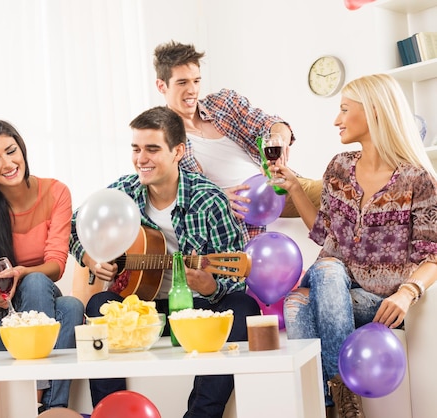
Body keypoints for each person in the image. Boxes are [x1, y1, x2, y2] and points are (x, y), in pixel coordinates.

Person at [69, 106, 261, 418]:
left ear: (177, 152)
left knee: (243, 307)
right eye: (136, 149)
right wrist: (89, 257)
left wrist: (211, 286)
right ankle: (114, 413)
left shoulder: (208, 199)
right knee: (99, 308)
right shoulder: (122, 192)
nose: (141, 159)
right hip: (143, 313)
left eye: (152, 149)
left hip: (198, 311)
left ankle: (200, 415)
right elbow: (74, 227)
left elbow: (236, 276)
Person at [278, 74, 437, 418]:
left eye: (344, 109)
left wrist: (407, 293)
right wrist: (294, 189)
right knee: (328, 269)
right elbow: (325, 234)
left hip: (376, 302)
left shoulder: (417, 180)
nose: (336, 119)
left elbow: (434, 254)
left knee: (297, 304)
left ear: (376, 112)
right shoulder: (339, 167)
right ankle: (342, 402)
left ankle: (326, 404)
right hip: (331, 282)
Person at [0, 118, 84, 412]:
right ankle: (40, 399)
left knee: (70, 306)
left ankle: (47, 408)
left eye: (11, 151)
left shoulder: (56, 192)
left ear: (22, 149)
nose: (8, 163)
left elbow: (56, 264)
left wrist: (23, 273)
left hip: (31, 308)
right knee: (41, 286)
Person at [153, 40, 323, 237]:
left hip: (276, 185)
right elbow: (168, 197)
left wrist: (278, 138)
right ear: (161, 85)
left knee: (341, 190)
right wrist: (214, 199)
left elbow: (271, 124)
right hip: (240, 215)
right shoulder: (161, 137)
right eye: (182, 82)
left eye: (196, 81)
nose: (192, 90)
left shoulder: (224, 103)